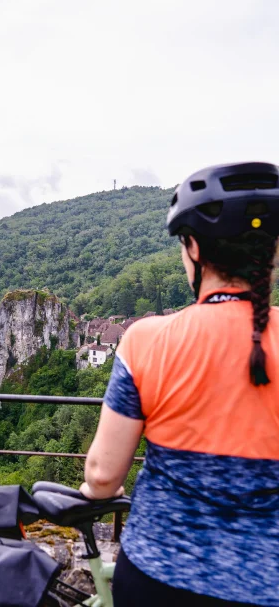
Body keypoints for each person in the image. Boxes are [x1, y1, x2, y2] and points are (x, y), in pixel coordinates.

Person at [80, 162, 279, 606]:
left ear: (192, 248)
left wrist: (88, 496)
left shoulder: (147, 339)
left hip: (159, 577)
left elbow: (103, 475)